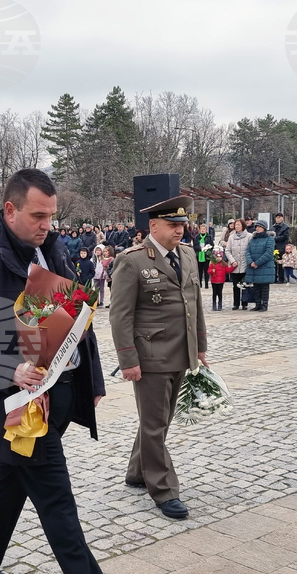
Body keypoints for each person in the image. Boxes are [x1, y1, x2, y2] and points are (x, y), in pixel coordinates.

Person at [0, 168, 142, 574]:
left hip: (59, 395)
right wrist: (8, 369)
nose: (47, 225)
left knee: (10, 479)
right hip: (17, 408)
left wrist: (91, 380)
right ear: (10, 210)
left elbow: (76, 318)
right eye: (37, 216)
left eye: (51, 216)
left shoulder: (54, 250)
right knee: (57, 502)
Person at [109, 195, 208, 520]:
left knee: (159, 421)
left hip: (181, 352)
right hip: (150, 357)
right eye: (172, 224)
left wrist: (200, 347)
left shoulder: (188, 254)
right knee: (154, 425)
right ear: (153, 226)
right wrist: (128, 360)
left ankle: (137, 471)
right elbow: (120, 315)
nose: (180, 230)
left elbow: (194, 304)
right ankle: (164, 490)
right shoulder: (132, 261)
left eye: (182, 224)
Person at [245, 219, 276, 311]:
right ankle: (257, 304)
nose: (257, 228)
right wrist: (251, 262)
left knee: (264, 287)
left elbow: (268, 253)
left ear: (264, 228)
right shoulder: (253, 239)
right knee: (256, 287)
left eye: (259, 227)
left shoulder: (270, 238)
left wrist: (257, 263)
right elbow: (248, 251)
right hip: (254, 267)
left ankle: (264, 305)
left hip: (264, 266)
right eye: (256, 227)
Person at [223, 219, 251, 310]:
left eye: (238, 225)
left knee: (245, 285)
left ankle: (245, 303)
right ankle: (236, 303)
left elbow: (250, 250)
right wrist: (232, 261)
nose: (237, 226)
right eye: (236, 225)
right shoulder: (231, 237)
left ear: (243, 226)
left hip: (245, 264)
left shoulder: (249, 236)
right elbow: (227, 250)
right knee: (235, 285)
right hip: (234, 265)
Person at [272, 213, 291, 283]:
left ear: (282, 218)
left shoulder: (285, 227)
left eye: (280, 217)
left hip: (282, 247)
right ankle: (274, 278)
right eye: (277, 217)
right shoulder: (273, 227)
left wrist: (275, 238)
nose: (278, 219)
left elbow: (285, 236)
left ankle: (281, 279)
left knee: (281, 264)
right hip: (274, 247)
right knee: (274, 264)